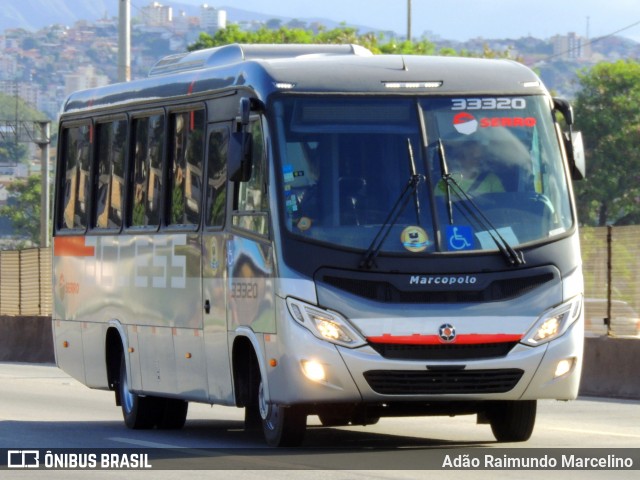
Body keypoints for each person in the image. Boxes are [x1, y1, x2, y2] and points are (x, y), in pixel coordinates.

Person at [438, 141, 504, 195]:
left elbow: (501, 202)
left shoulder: (491, 180)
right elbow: (439, 204)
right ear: (460, 157)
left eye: (478, 157)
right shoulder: (447, 180)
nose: (475, 160)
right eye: (471, 155)